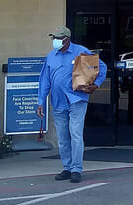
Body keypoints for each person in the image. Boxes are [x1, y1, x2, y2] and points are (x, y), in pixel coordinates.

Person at [37, 26, 106, 183]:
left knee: (75, 133)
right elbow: (45, 80)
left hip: (77, 99)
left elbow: (101, 67)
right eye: (53, 38)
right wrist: (41, 101)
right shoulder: (51, 56)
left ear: (66, 39)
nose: (54, 41)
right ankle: (66, 168)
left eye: (58, 38)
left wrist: (96, 84)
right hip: (58, 101)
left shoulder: (80, 51)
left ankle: (76, 169)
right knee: (62, 137)